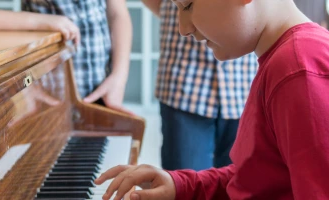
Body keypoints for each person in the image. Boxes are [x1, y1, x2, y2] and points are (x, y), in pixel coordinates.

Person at [95, 0, 329, 199]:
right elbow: (255, 181)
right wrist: (182, 186)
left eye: (188, 6)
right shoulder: (283, 63)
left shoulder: (298, 71)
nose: (183, 29)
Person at [141, 0, 258, 171]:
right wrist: (188, 10)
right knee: (185, 189)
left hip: (246, 84)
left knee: (242, 188)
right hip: (184, 84)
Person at [0, 0, 133, 113]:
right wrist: (39, 21)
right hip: (48, 98)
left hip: (103, 90)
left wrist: (119, 76)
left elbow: (118, 14)